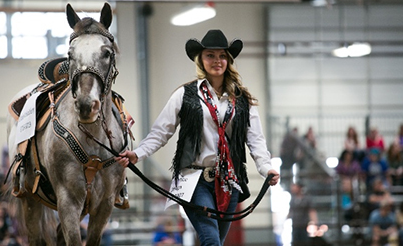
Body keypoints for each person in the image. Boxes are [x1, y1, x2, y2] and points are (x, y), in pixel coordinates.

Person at [115, 29, 279, 245]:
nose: (217, 61)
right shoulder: (185, 94)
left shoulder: (241, 100)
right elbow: (160, 132)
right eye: (210, 55)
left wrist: (266, 168)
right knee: (211, 240)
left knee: (213, 241)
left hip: (229, 182)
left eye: (222, 56)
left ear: (228, 60)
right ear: (201, 59)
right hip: (194, 180)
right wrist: (137, 153)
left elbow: (256, 140)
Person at [288, 182, 318, 246]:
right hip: (295, 225)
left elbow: (311, 211)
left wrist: (315, 222)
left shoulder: (306, 199)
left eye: (294, 186)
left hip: (304, 226)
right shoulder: (293, 199)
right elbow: (290, 211)